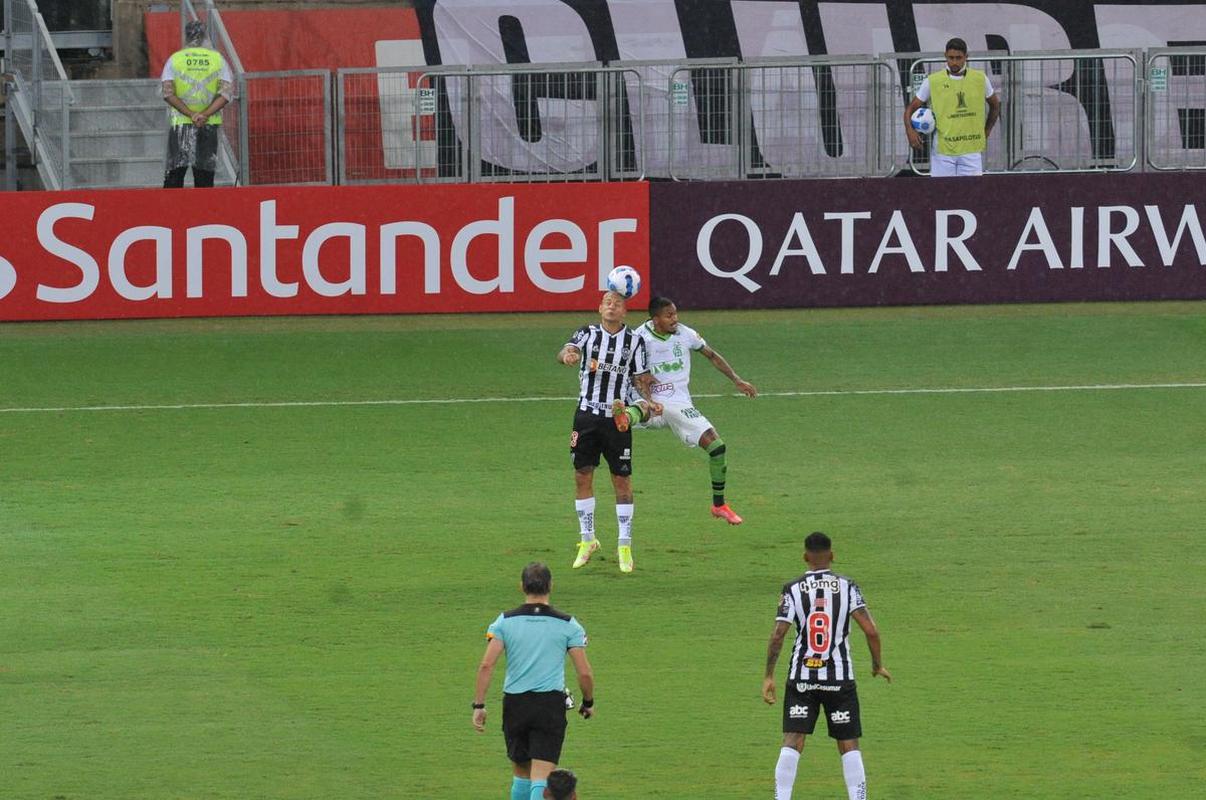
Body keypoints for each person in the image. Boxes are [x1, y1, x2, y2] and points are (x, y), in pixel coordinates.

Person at [762, 532, 892, 800]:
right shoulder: (848, 587)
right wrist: (877, 664)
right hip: (839, 679)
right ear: (832, 555)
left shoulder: (792, 588)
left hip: (802, 678)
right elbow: (871, 631)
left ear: (805, 557)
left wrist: (768, 676)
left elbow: (778, 635)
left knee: (792, 740)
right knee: (848, 744)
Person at [617, 296, 757, 525]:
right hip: (653, 401)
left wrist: (737, 380)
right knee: (645, 409)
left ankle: (719, 505)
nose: (675, 319)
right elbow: (629, 373)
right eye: (669, 315)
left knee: (716, 448)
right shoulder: (639, 338)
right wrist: (646, 393)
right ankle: (626, 416)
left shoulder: (685, 333)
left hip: (679, 404)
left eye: (675, 313)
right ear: (655, 319)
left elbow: (711, 355)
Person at [558, 291, 661, 573]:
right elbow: (567, 349)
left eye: (617, 304)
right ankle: (587, 540)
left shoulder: (634, 341)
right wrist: (568, 355)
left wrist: (649, 400)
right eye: (607, 302)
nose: (612, 307)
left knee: (622, 480)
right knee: (582, 475)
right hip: (586, 416)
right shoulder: (587, 333)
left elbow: (640, 378)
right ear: (599, 308)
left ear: (625, 311)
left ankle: (624, 546)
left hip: (617, 420)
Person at [473, 563, 595, 800]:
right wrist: (588, 701)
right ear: (551, 586)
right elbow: (584, 673)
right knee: (541, 775)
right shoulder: (568, 624)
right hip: (548, 705)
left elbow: (486, 665)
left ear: (522, 586)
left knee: (521, 773)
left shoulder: (504, 621)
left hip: (515, 704)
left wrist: (479, 705)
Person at [904, 37, 1001, 177]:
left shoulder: (980, 79)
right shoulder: (933, 81)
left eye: (958, 58)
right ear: (945, 56)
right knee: (943, 191)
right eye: (951, 58)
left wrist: (987, 131)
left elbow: (995, 106)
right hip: (943, 152)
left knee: (971, 191)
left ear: (966, 57)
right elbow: (910, 109)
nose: (954, 62)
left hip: (971, 151)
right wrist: (910, 131)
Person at [160, 20, 233, 188]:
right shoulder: (217, 59)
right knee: (205, 175)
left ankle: (172, 205)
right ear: (205, 36)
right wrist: (204, 114)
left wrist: (191, 114)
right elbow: (226, 93)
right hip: (208, 123)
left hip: (181, 122)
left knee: (174, 174)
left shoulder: (175, 59)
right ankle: (203, 205)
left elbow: (167, 93)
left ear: (186, 36)